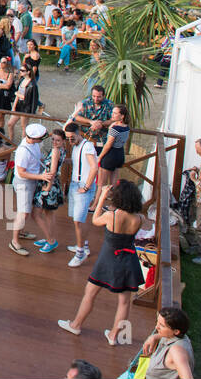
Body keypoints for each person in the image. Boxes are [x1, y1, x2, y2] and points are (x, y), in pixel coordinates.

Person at [57, 180, 146, 344]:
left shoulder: (111, 216)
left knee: (90, 293)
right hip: (128, 260)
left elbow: (95, 220)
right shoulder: (140, 218)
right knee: (124, 302)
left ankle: (76, 325)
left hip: (108, 259)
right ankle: (114, 335)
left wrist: (102, 197)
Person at [9, 123, 56, 255]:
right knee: (22, 213)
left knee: (26, 211)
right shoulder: (23, 151)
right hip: (24, 183)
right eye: (41, 137)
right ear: (35, 138)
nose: (43, 139)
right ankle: (14, 241)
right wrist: (40, 176)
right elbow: (21, 172)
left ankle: (21, 232)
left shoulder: (34, 144)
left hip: (31, 181)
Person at [65, 122, 101, 267]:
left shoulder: (87, 146)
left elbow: (94, 167)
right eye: (68, 138)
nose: (70, 141)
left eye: (72, 137)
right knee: (78, 219)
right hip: (75, 185)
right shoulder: (76, 145)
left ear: (79, 132)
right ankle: (83, 246)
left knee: (78, 221)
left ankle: (80, 254)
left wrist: (86, 187)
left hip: (82, 187)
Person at [139, 306, 195, 379]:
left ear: (176, 331)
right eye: (157, 322)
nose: (156, 327)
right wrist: (154, 337)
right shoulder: (178, 336)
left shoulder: (177, 351)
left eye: (162, 325)